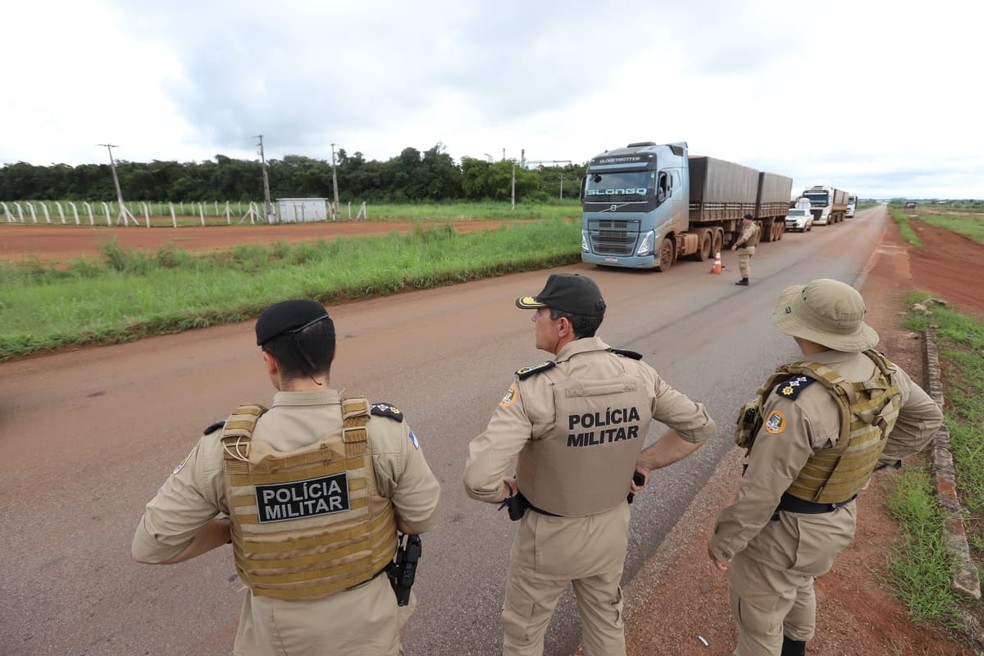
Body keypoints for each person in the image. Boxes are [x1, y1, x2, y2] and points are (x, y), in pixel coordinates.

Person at [132, 299, 441, 656]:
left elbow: (151, 546)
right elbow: (420, 519)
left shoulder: (225, 449)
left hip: (274, 638)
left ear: (270, 361)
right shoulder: (383, 433)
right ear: (334, 351)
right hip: (368, 629)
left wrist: (238, 528)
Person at [463, 272, 716, 656]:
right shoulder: (639, 374)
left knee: (524, 633)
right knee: (605, 620)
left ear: (562, 326)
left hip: (548, 537)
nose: (534, 320)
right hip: (611, 527)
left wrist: (509, 489)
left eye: (540, 313)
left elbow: (479, 479)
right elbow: (699, 426)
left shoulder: (535, 388)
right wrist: (645, 462)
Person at [707, 279, 944, 656]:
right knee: (799, 582)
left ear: (804, 329)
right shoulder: (883, 370)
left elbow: (763, 488)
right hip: (836, 519)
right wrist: (867, 466)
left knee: (758, 624)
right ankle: (796, 647)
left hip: (785, 531)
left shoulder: (799, 399)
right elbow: (927, 418)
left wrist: (725, 543)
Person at [731, 213, 761, 286]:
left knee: (743, 264)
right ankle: (744, 278)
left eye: (744, 219)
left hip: (746, 248)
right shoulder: (750, 226)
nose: (743, 221)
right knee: (745, 264)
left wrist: (736, 245)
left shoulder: (750, 228)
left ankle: (745, 280)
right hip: (749, 248)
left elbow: (744, 239)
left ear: (748, 220)